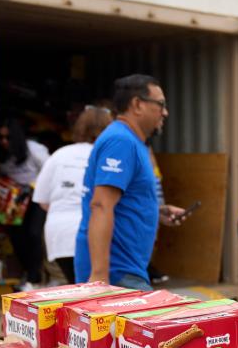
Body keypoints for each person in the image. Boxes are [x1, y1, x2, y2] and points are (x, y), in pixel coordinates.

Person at [74, 75, 184, 291]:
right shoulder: (121, 141)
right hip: (117, 274)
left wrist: (155, 211)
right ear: (137, 104)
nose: (165, 112)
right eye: (160, 104)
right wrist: (100, 277)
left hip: (126, 270)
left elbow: (121, 200)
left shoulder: (132, 142)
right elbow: (101, 205)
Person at [32, 105, 113, 284]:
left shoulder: (59, 155)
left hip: (59, 235)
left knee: (75, 289)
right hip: (95, 234)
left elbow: (42, 201)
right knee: (98, 296)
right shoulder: (108, 157)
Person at [0, 117, 49, 290]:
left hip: (37, 197)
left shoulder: (34, 150)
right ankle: (28, 274)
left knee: (34, 233)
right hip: (14, 200)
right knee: (16, 236)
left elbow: (50, 170)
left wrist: (33, 187)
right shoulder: (0, 154)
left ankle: (35, 278)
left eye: (8, 138)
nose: (4, 142)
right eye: (1, 138)